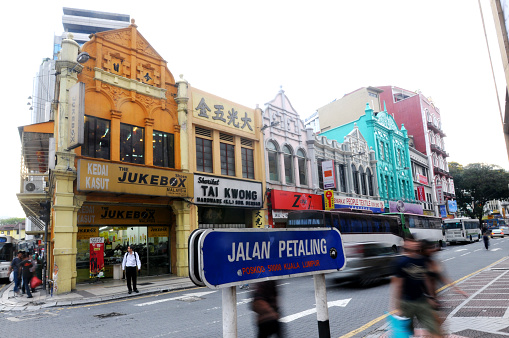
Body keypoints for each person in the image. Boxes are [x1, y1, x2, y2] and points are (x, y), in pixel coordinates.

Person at [390, 238, 441, 337]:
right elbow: (397, 286)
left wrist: (432, 297)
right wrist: (396, 307)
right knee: (407, 332)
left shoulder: (421, 260)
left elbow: (426, 280)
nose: (414, 244)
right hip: (406, 303)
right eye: (410, 242)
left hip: (421, 300)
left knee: (433, 328)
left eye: (415, 242)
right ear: (406, 245)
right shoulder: (400, 262)